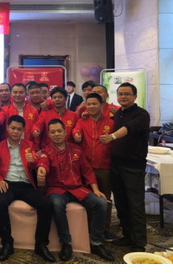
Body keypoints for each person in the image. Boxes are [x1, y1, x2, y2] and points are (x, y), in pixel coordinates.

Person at [37, 119, 114, 262]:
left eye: (59, 131)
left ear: (65, 132)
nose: (56, 134)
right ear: (48, 134)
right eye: (53, 132)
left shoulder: (76, 149)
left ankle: (96, 242)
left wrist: (95, 189)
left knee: (101, 203)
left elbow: (87, 171)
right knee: (56, 204)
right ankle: (66, 242)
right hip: (57, 189)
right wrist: (42, 169)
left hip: (77, 188)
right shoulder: (46, 151)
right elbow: (43, 163)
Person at [0, 115, 55, 262]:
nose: (15, 132)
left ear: (23, 131)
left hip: (25, 184)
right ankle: (7, 243)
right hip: (7, 183)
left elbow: (37, 164)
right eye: (13, 128)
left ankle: (41, 244)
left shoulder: (29, 145)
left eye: (19, 129)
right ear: (7, 128)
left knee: (46, 204)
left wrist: (33, 162)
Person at [99, 82, 150, 252]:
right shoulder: (118, 113)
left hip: (133, 166)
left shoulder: (142, 114)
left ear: (135, 96)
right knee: (121, 203)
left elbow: (129, 128)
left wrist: (112, 137)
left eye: (127, 94)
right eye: (120, 94)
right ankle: (127, 235)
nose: (123, 97)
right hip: (116, 164)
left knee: (135, 205)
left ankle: (139, 243)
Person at [73, 92, 115, 239]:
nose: (91, 106)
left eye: (94, 104)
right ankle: (89, 228)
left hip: (105, 166)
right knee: (88, 199)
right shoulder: (82, 121)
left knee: (105, 199)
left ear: (101, 105)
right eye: (89, 104)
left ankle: (105, 229)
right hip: (86, 167)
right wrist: (76, 135)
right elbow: (76, 132)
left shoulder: (111, 122)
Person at [32, 87, 78, 151]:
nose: (57, 99)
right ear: (51, 99)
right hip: (48, 150)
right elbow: (38, 124)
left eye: (60, 97)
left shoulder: (74, 115)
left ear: (66, 99)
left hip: (68, 151)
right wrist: (36, 129)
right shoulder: (45, 114)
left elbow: (77, 129)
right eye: (54, 97)